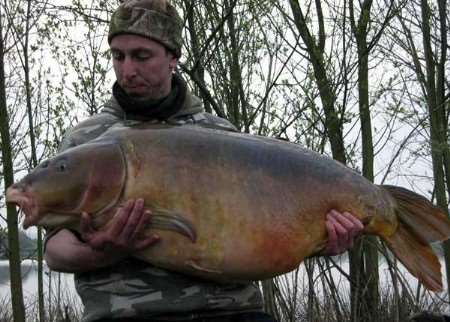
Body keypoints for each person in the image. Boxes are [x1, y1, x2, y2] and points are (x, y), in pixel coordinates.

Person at [44, 1, 364, 321]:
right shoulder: (85, 142)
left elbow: (263, 230)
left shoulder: (220, 135)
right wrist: (100, 252)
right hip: (129, 312)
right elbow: (55, 250)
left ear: (173, 57)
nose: (127, 70)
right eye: (118, 56)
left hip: (232, 309)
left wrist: (322, 239)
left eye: (142, 56)